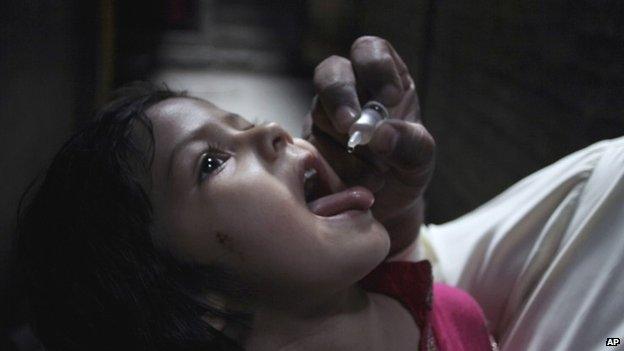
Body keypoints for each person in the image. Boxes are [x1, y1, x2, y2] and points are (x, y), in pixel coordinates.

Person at [17, 36, 496, 350]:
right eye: (211, 162)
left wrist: (401, 214)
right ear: (201, 308)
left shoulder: (453, 314)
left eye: (244, 124)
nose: (272, 129)